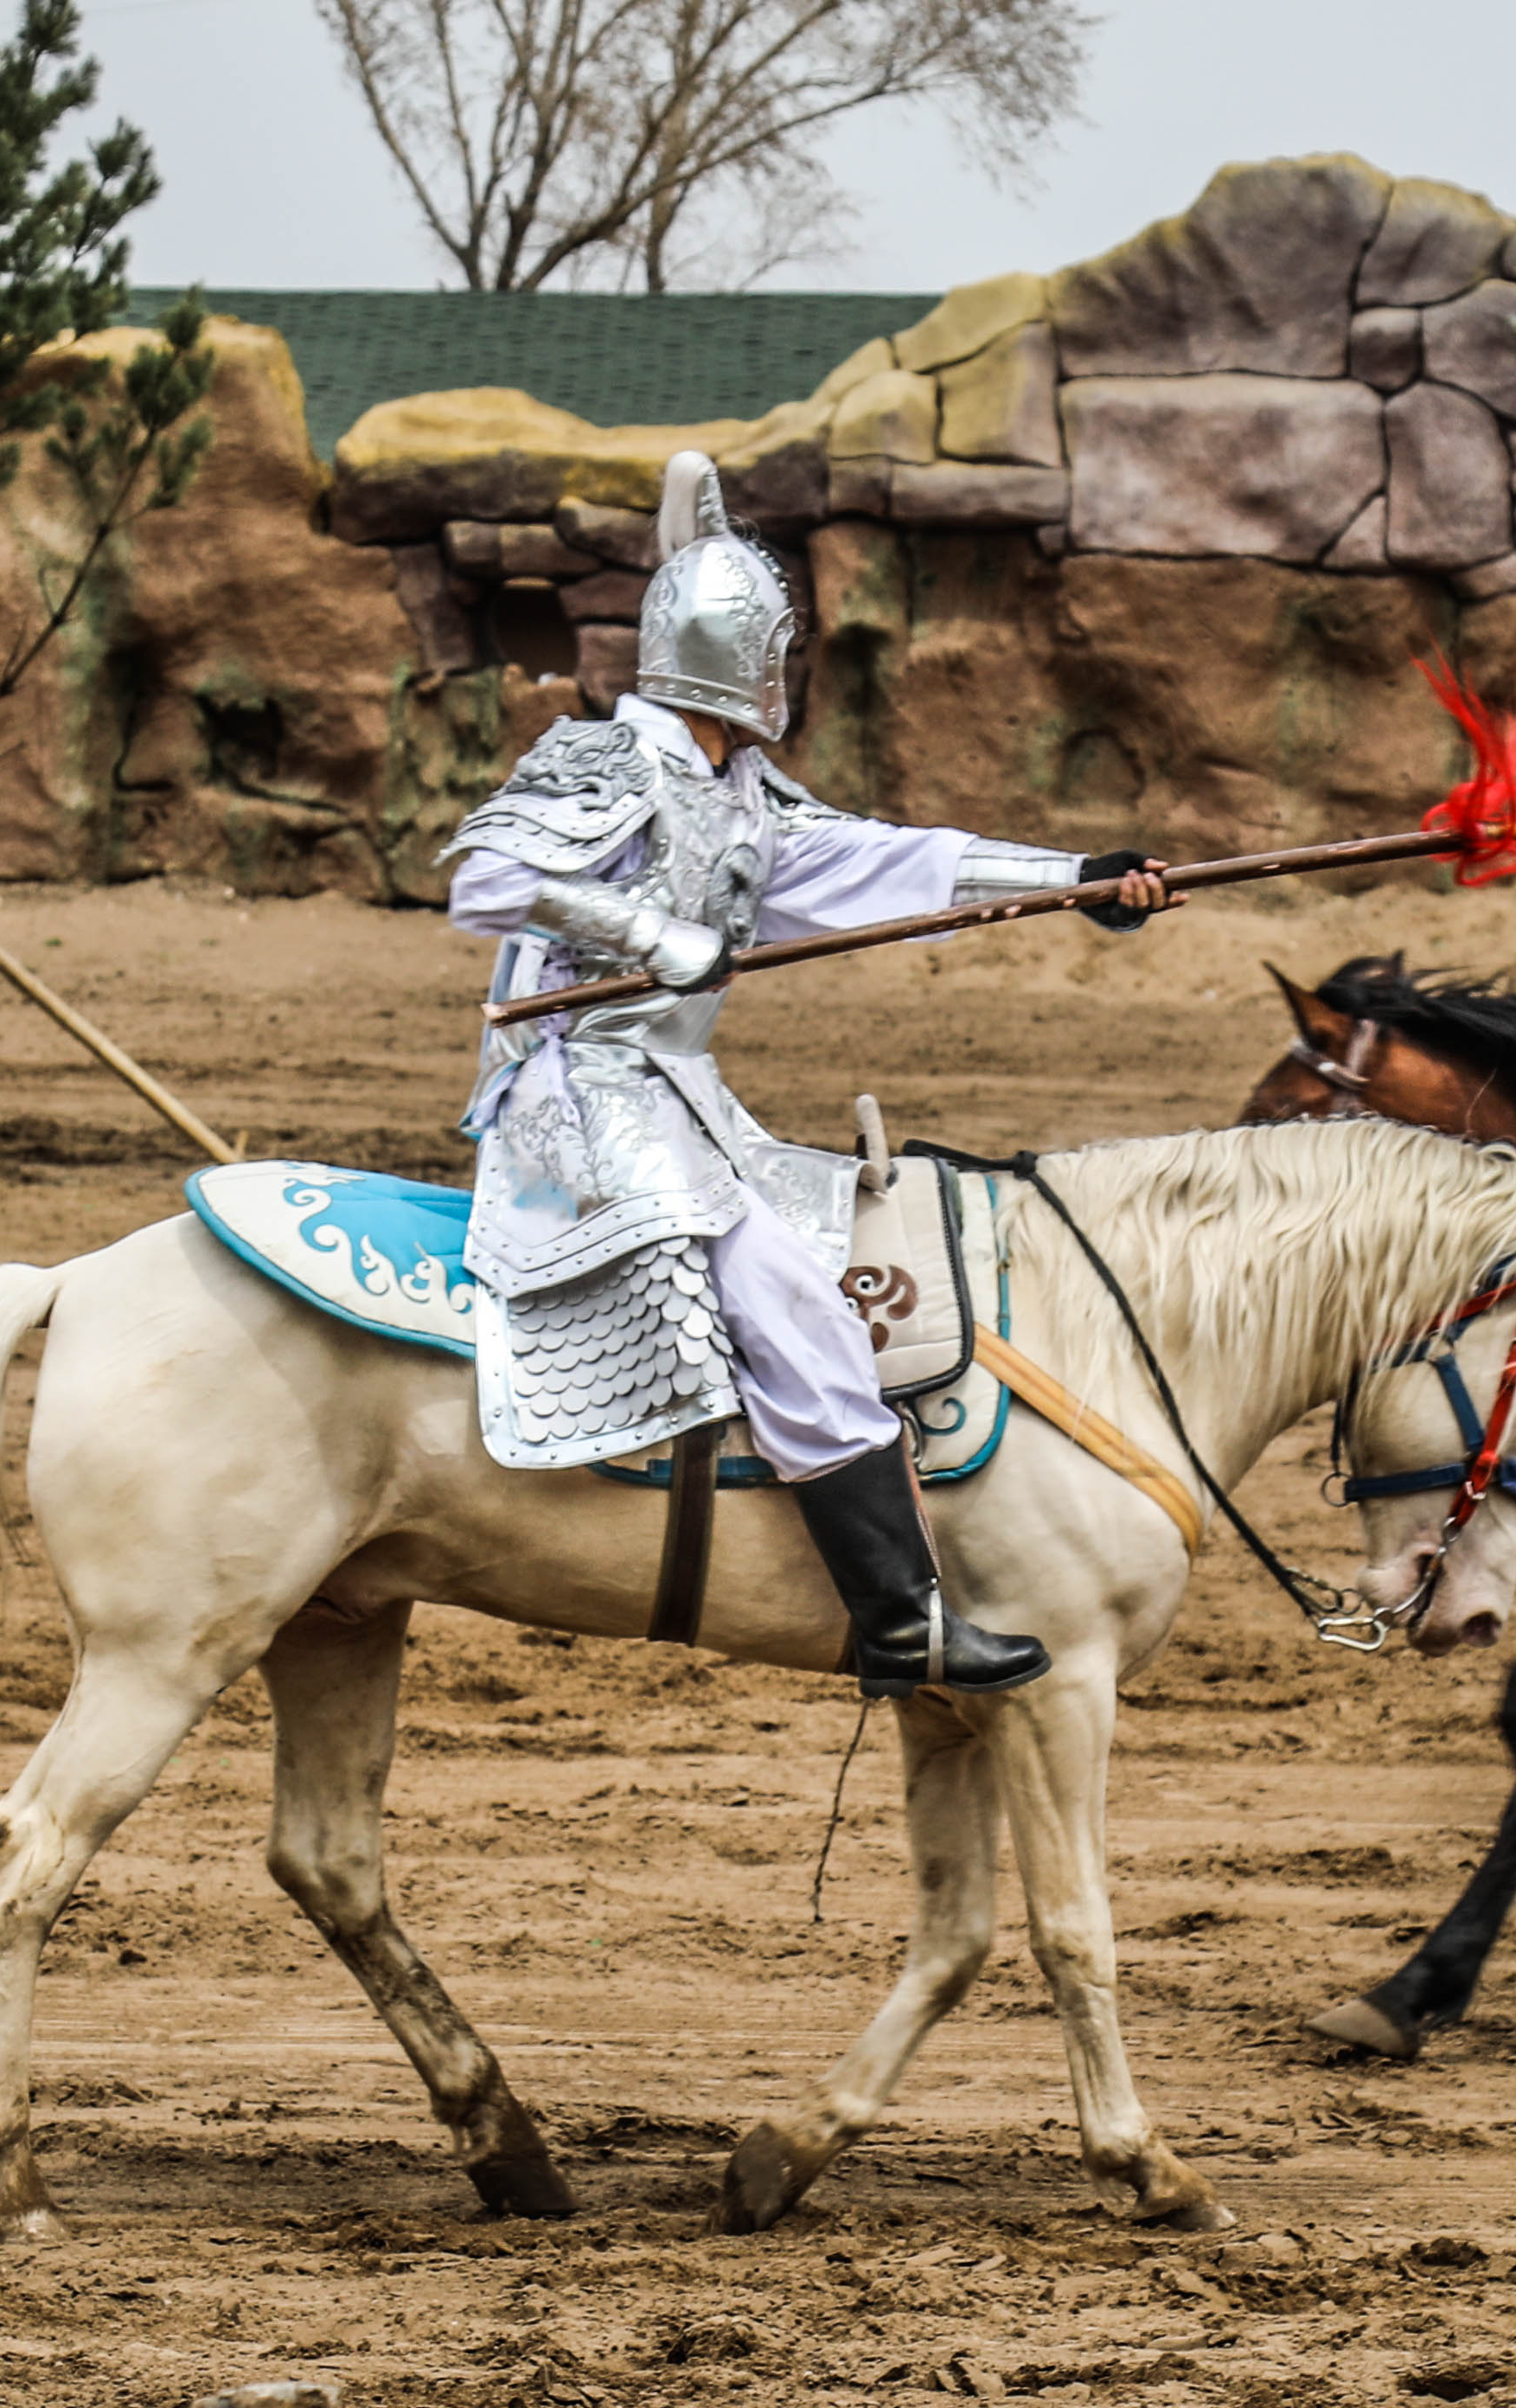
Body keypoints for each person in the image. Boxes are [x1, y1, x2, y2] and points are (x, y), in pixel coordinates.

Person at [442, 451, 1178, 1695]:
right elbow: (485, 883)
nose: (789, 677)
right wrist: (650, 934)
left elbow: (880, 862)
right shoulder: (603, 762)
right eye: (777, 651)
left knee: (828, 1233)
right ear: (736, 657)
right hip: (578, 1089)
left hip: (677, 1092)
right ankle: (902, 1618)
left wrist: (1074, 879)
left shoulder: (737, 790)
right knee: (783, 1293)